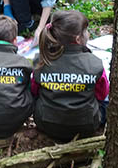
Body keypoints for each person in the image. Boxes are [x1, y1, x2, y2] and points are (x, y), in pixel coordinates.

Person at [32, 10, 109, 142]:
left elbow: (34, 91)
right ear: (78, 39)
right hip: (87, 125)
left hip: (46, 122)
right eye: (86, 31)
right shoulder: (94, 63)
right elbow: (102, 94)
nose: (88, 34)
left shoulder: (41, 60)